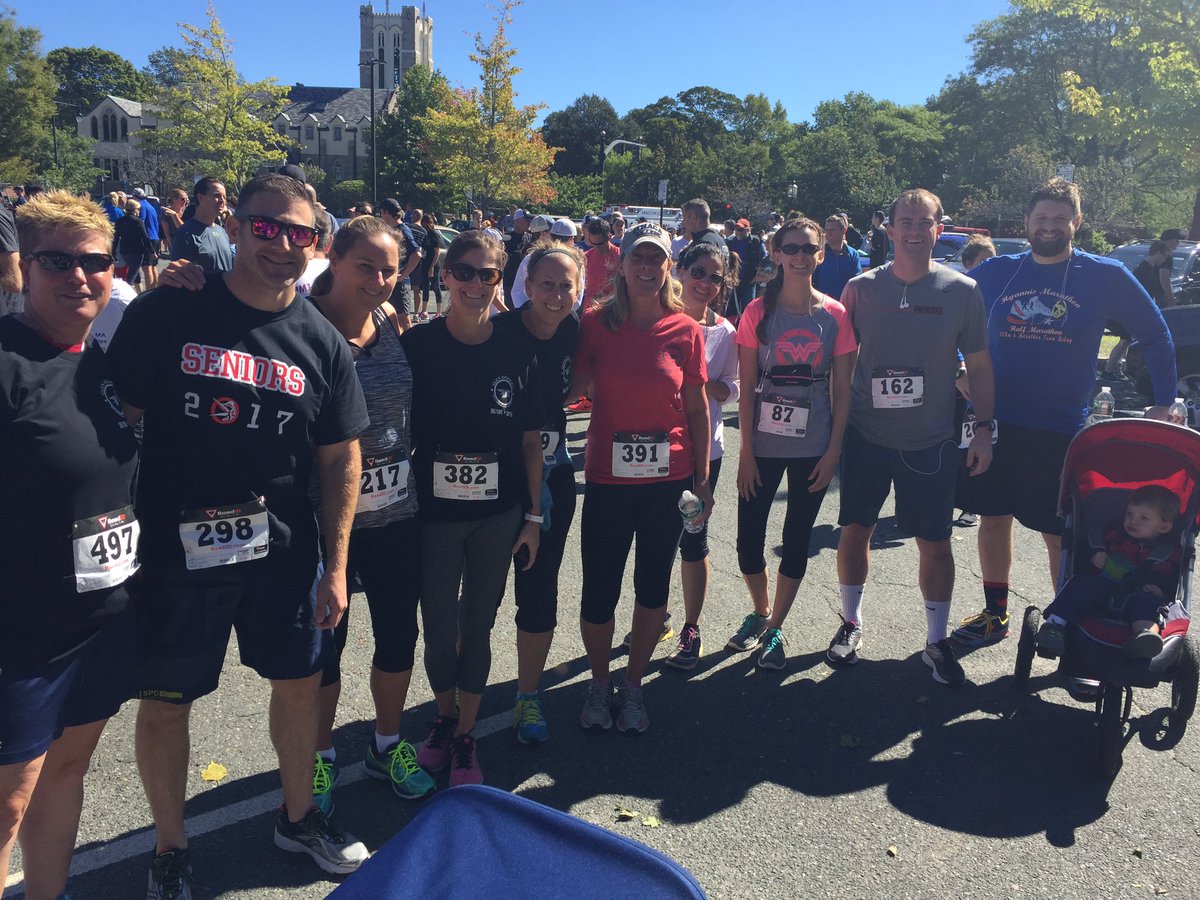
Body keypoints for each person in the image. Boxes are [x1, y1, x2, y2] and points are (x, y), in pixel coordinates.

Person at [106, 173, 371, 896]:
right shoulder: (171, 310)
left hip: (281, 556)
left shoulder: (321, 341)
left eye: (300, 233)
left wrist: (337, 565)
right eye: (267, 227)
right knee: (167, 701)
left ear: (316, 243)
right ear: (236, 224)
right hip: (174, 554)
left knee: (299, 687)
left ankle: (299, 816)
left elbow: (340, 457)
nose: (283, 245)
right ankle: (170, 846)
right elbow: (115, 426)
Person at [951, 179, 1177, 649]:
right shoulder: (996, 273)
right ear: (1027, 223)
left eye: (1059, 219)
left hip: (1062, 428)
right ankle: (996, 615)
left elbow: (1155, 334)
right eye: (1041, 219)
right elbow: (955, 327)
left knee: (1062, 535)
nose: (1049, 227)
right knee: (993, 517)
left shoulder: (1105, 274)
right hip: (995, 420)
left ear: (1077, 222)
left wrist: (1164, 398)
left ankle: (1071, 625)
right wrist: (957, 369)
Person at [0, 191, 139, 900]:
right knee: (8, 802)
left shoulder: (98, 365)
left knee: (65, 772)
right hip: (21, 634)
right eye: (59, 261)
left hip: (100, 623)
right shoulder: (7, 362)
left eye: (96, 262)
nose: (80, 276)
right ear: (24, 265)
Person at [834, 189, 995, 686]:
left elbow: (982, 365)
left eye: (924, 222)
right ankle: (850, 622)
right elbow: (840, 364)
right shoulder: (860, 288)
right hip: (866, 433)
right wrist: (831, 430)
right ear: (890, 227)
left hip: (930, 439)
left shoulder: (962, 290)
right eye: (905, 220)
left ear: (939, 229)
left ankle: (936, 639)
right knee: (855, 530)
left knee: (935, 541)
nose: (913, 230)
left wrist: (985, 429)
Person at [401, 229, 544, 785]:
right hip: (434, 514)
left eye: (487, 273)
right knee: (437, 625)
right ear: (444, 275)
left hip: (498, 513)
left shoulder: (516, 349)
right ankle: (442, 717)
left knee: (477, 624)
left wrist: (533, 516)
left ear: (499, 279)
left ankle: (465, 736)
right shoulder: (417, 346)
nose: (475, 283)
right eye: (464, 271)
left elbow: (531, 440)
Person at [305, 215, 436, 809]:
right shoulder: (299, 323)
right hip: (322, 516)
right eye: (366, 266)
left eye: (390, 269)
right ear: (334, 257)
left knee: (397, 634)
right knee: (325, 644)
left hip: (394, 511)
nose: (380, 279)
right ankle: (319, 756)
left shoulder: (388, 319)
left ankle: (386, 744)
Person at [571, 221, 712, 733]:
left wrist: (701, 479)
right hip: (608, 480)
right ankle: (597, 681)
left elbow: (697, 408)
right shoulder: (593, 324)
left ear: (668, 267)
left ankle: (632, 686)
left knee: (652, 586)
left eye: (657, 260)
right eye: (639, 259)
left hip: (666, 482)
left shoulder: (685, 329)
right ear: (622, 265)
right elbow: (576, 387)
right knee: (598, 590)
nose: (648, 268)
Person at [727, 218, 856, 669]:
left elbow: (843, 392)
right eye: (792, 248)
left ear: (820, 254)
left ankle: (776, 626)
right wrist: (744, 453)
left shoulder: (836, 315)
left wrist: (834, 451)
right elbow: (744, 386)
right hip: (762, 443)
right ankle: (761, 610)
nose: (801, 256)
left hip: (814, 444)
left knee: (796, 538)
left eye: (809, 248)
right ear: (777, 254)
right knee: (748, 543)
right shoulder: (758, 312)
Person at [492, 242, 584, 742]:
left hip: (553, 473)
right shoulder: (498, 332)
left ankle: (528, 697)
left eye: (564, 285)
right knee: (479, 596)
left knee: (539, 587)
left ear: (578, 290)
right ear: (527, 286)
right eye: (545, 283)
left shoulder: (576, 331)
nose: (554, 294)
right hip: (495, 478)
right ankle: (459, 700)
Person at [660, 240, 740, 670]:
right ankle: (654, 616)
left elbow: (734, 388)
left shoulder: (723, 332)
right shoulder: (658, 317)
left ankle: (691, 628)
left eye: (715, 277)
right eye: (699, 272)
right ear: (681, 269)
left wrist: (700, 380)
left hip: (703, 451)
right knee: (654, 538)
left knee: (694, 539)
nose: (705, 283)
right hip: (657, 449)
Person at [1036, 485, 1180, 660]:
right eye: (1129, 514)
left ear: (1163, 527)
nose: (1133, 521)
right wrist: (1095, 556)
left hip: (1138, 594)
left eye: (1143, 518)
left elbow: (1170, 578)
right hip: (1104, 587)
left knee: (1149, 604)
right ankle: (1054, 625)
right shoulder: (1112, 534)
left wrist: (1161, 590)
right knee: (1082, 585)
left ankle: (1145, 637)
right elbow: (1083, 550)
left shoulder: (1166, 552)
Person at [511, 218, 586, 310]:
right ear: (571, 239)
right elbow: (577, 300)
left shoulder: (533, 257)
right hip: (561, 316)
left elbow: (517, 291)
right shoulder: (576, 262)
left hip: (532, 316)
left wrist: (527, 313)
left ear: (551, 235)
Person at [169, 177, 233, 274]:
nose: (222, 201)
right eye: (217, 195)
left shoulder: (222, 231)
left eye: (224, 197)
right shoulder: (186, 234)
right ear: (200, 198)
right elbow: (180, 278)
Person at [725, 218, 767, 318]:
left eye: (741, 230)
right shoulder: (729, 242)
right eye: (736, 229)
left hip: (749, 282)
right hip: (733, 282)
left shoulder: (756, 242)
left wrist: (758, 277)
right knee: (731, 311)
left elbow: (764, 259)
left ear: (748, 230)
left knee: (749, 310)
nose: (738, 232)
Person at [813, 214, 861, 300]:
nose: (828, 233)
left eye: (832, 230)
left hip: (846, 303)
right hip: (822, 304)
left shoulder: (853, 254)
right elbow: (812, 281)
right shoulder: (819, 254)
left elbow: (856, 282)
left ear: (844, 230)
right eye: (826, 230)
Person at [114, 198, 155, 291]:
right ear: (134, 209)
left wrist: (113, 251)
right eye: (138, 209)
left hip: (124, 251)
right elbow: (145, 237)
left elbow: (116, 238)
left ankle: (138, 294)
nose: (139, 211)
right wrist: (152, 251)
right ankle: (125, 293)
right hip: (136, 251)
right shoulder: (138, 221)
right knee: (131, 276)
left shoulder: (120, 221)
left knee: (136, 274)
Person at [415, 212, 447, 319]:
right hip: (425, 262)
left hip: (434, 264)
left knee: (435, 286)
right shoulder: (424, 234)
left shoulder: (434, 235)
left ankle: (438, 312)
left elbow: (437, 252)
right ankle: (424, 310)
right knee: (425, 286)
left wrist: (432, 267)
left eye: (424, 224)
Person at [132, 188, 161, 289]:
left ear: (135, 196)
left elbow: (141, 222)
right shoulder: (150, 206)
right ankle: (155, 289)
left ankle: (148, 292)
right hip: (155, 237)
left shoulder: (141, 206)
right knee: (153, 266)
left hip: (147, 238)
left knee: (146, 268)